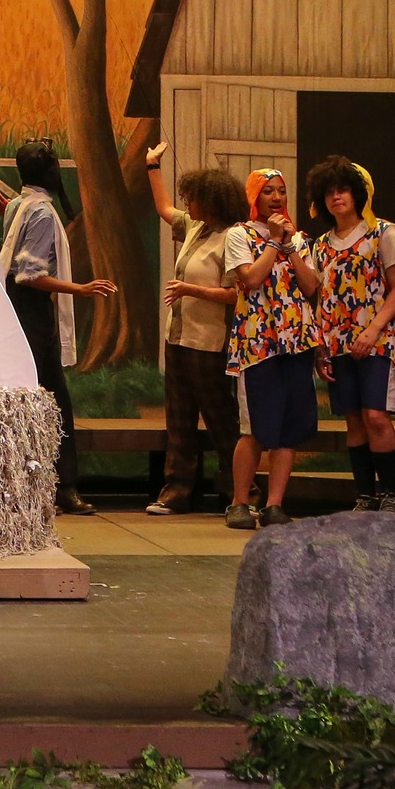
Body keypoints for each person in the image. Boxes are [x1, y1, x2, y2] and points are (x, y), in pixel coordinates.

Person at [0, 139, 110, 516]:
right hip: (32, 313)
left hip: (17, 310)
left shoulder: (19, 204)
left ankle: (39, 483)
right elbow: (30, 275)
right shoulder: (42, 213)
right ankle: (64, 485)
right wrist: (80, 288)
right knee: (52, 401)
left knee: (36, 397)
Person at [303, 157, 395, 514]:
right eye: (329, 192)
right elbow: (320, 297)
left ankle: (391, 495)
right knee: (352, 418)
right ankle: (365, 495)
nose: (337, 197)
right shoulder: (320, 245)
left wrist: (373, 330)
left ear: (358, 193)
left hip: (379, 341)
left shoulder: (385, 233)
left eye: (343, 189)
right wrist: (320, 349)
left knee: (376, 415)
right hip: (336, 343)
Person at [143, 145, 243, 515]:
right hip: (179, 338)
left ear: (213, 201)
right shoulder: (195, 228)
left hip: (209, 342)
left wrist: (191, 289)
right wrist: (152, 165)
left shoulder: (233, 238)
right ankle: (178, 489)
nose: (189, 203)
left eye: (195, 198)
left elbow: (236, 294)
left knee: (220, 418)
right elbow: (164, 209)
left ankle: (239, 489)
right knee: (179, 417)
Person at [222, 168, 321, 530]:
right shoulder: (239, 235)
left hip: (297, 342)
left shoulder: (301, 240)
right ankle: (239, 502)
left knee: (289, 428)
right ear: (254, 197)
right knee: (255, 428)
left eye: (281, 191)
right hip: (257, 344)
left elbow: (310, 286)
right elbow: (249, 278)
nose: (276, 198)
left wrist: (290, 246)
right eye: (268, 192)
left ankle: (275, 503)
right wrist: (273, 243)